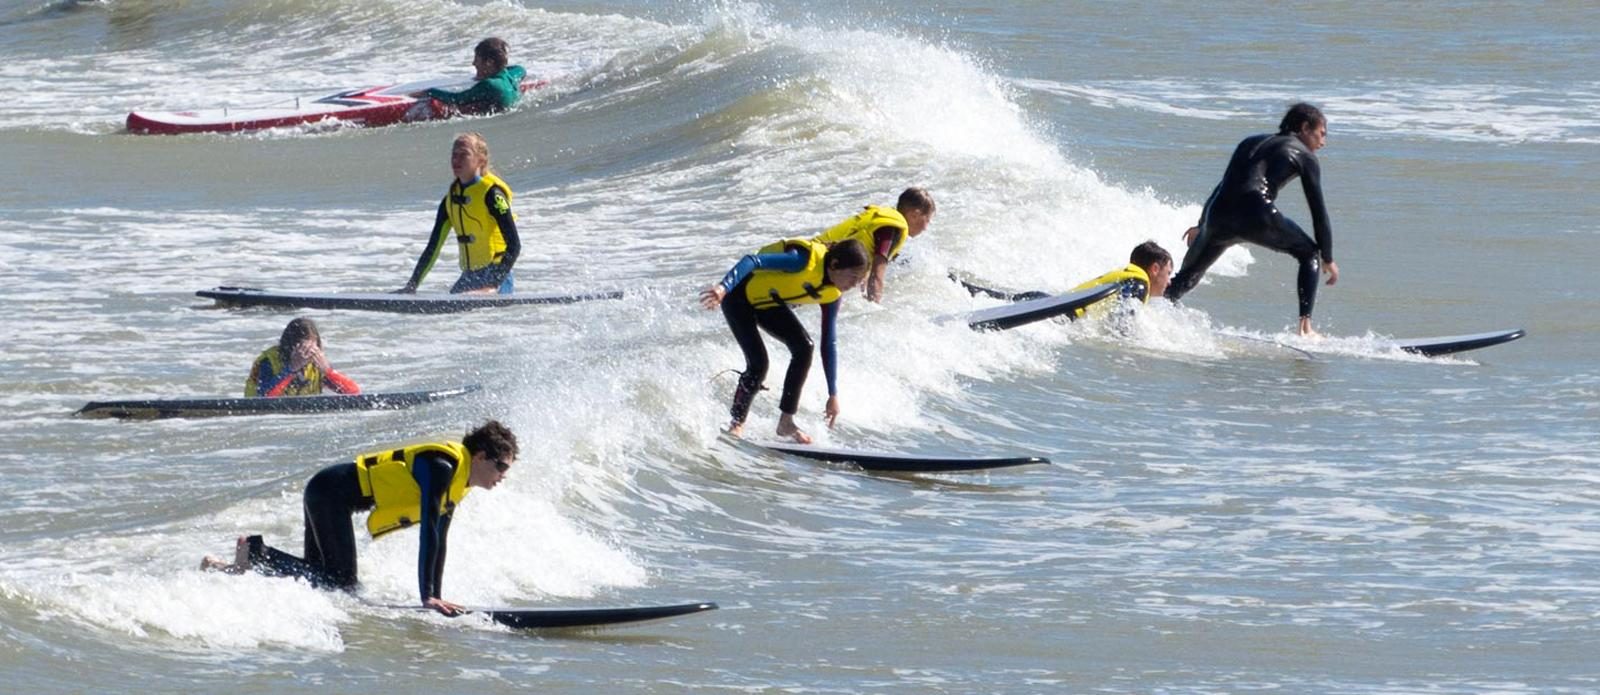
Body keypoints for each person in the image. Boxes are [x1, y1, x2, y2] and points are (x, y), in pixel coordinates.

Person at [201, 420, 519, 616]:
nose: (503, 476)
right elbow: (428, 537)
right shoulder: (442, 467)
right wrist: (429, 597)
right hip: (330, 493)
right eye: (501, 466)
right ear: (479, 457)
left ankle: (229, 566)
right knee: (342, 585)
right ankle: (255, 553)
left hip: (331, 494)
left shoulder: (458, 486)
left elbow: (441, 541)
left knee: (321, 581)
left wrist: (435, 594)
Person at [1164, 102, 1340, 336]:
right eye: (1321, 134)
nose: (1323, 142)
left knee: (1186, 277)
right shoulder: (1305, 156)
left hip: (1219, 215)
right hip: (1257, 212)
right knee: (1309, 253)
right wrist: (1327, 256)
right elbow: (1318, 210)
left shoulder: (1249, 142)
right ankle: (1305, 327)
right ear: (1305, 127)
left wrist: (1202, 224)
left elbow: (1222, 187)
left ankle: (1151, 311)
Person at [699, 238, 871, 444]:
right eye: (853, 277)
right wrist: (722, 288)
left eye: (858, 280)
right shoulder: (801, 260)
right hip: (738, 297)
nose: (854, 285)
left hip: (767, 304)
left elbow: (829, 341)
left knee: (804, 347)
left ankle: (786, 422)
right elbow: (753, 260)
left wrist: (832, 393)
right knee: (759, 364)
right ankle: (737, 423)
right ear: (834, 265)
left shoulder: (832, 294)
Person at [397, 132, 522, 294]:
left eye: (464, 154)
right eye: (454, 155)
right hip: (470, 276)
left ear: (481, 160)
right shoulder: (450, 201)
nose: (456, 160)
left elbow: (514, 245)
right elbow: (433, 248)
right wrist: (412, 286)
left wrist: (493, 284)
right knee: (451, 313)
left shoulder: (493, 194)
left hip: (497, 274)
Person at [955, 241, 1173, 318]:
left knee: (975, 293)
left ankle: (948, 279)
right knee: (977, 296)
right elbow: (1123, 315)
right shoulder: (1139, 280)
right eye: (1168, 274)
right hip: (1050, 310)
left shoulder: (1128, 274)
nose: (1169, 282)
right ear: (1155, 269)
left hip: (1047, 303)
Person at [812, 187, 935, 303]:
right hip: (816, 266)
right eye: (927, 220)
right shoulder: (892, 228)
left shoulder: (883, 217)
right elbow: (876, 276)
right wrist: (875, 309)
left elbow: (865, 273)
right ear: (915, 214)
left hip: (811, 257)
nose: (926, 228)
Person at [244, 317, 360, 398]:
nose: (308, 355)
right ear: (290, 347)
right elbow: (264, 398)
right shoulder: (268, 362)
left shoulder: (317, 364)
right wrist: (291, 369)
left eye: (313, 349)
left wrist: (329, 372)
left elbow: (354, 392)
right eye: (304, 349)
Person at [413, 37, 527, 117]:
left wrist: (430, 91)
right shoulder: (509, 77)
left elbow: (457, 99)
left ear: (489, 62)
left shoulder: (489, 84)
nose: (473, 64)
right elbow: (521, 69)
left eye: (477, 60)